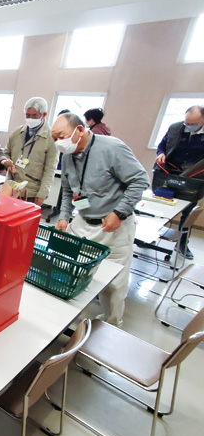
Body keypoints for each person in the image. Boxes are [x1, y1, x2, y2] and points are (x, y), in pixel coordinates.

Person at [52, 113, 149, 327]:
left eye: (61, 136)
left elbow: (140, 181)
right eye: (54, 139)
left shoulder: (112, 148)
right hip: (82, 222)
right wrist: (64, 216)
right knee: (72, 273)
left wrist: (120, 213)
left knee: (113, 285)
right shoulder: (67, 155)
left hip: (113, 228)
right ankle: (68, 324)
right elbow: (69, 191)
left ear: (79, 129)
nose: (59, 142)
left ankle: (112, 325)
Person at [156, 105, 204, 259]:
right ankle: (150, 236)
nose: (189, 126)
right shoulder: (176, 128)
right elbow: (162, 144)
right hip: (171, 172)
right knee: (159, 205)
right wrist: (161, 153)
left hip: (194, 177)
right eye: (187, 123)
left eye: (193, 123)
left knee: (188, 211)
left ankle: (182, 243)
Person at [4, 97, 59, 205]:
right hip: (11, 187)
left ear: (44, 115)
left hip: (32, 192)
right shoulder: (17, 132)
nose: (30, 118)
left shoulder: (51, 138)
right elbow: (6, 153)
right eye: (28, 115)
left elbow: (50, 170)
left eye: (35, 115)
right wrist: (7, 163)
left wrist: (42, 194)